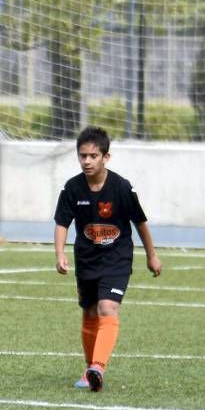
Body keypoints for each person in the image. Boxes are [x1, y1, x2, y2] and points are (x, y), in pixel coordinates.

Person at [54, 126, 162, 392]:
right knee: (89, 312)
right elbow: (61, 223)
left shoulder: (122, 188)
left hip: (117, 258)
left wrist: (152, 255)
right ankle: (89, 368)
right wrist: (60, 253)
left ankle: (98, 366)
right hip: (87, 260)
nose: (87, 161)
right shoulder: (72, 188)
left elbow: (140, 223)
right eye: (83, 156)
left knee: (107, 308)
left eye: (93, 155)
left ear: (106, 157)